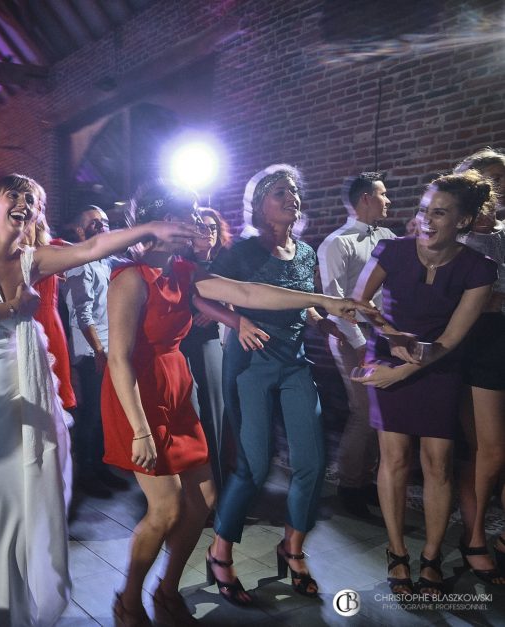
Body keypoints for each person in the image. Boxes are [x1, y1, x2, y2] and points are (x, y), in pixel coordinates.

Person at [0, 173, 198, 626]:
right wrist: (13, 310)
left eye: (32, 199)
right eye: (12, 194)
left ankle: (11, 611)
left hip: (24, 388)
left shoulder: (33, 259)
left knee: (20, 501)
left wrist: (150, 231)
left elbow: (91, 249)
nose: (24, 202)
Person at [103, 181, 370, 624]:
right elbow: (118, 358)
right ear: (159, 221)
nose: (194, 222)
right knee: (166, 506)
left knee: (204, 499)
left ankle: (168, 590)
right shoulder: (130, 278)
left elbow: (247, 293)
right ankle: (128, 598)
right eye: (185, 215)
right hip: (136, 393)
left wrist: (324, 301)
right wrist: (141, 429)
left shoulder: (186, 271)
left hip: (174, 384)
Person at [351, 170, 497, 599]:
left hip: (438, 364)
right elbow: (360, 305)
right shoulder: (390, 250)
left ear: (464, 222)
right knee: (393, 460)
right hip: (388, 354)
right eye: (422, 210)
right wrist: (393, 341)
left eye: (440, 213)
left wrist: (406, 368)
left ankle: (431, 557)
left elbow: (452, 339)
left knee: (438, 463)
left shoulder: (479, 267)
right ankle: (397, 554)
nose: (426, 221)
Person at [208, 165, 349, 604]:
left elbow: (303, 304)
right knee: (253, 464)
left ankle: (292, 548)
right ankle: (220, 552)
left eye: (294, 192)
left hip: (294, 364)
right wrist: (239, 318)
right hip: (250, 363)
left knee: (311, 461)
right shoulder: (244, 253)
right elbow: (203, 294)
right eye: (279, 192)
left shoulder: (305, 253)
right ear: (259, 204)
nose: (291, 198)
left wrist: (329, 324)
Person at [318, 172, 395, 519]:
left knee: (383, 414)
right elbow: (333, 300)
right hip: (352, 336)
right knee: (363, 411)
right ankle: (350, 486)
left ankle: (370, 483)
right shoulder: (337, 242)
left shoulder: (390, 237)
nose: (388, 200)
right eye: (382, 194)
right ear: (365, 198)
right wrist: (360, 342)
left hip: (386, 334)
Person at [453, 150, 505, 582]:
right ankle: (474, 537)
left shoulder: (503, 233)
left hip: (500, 340)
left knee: (493, 449)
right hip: (475, 346)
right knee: (487, 448)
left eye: (502, 180)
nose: (498, 189)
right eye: (490, 179)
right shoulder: (458, 237)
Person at [65, 205, 130, 497]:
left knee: (105, 415)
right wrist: (101, 352)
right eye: (94, 223)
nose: (102, 226)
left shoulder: (106, 262)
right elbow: (83, 314)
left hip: (108, 348)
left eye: (104, 222)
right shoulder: (80, 263)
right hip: (92, 353)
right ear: (79, 230)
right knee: (91, 416)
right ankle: (87, 475)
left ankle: (102, 467)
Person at [179, 206, 236, 491]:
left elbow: (241, 294)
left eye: (213, 228)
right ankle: (200, 486)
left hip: (217, 339)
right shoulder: (181, 262)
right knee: (195, 412)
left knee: (219, 413)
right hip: (187, 341)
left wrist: (221, 308)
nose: (209, 232)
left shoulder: (227, 261)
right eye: (203, 227)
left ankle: (221, 484)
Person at [23, 212, 77, 411]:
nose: (23, 226)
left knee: (55, 390)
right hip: (22, 320)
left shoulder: (53, 247)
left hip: (49, 322)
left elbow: (88, 253)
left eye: (29, 222)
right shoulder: (9, 255)